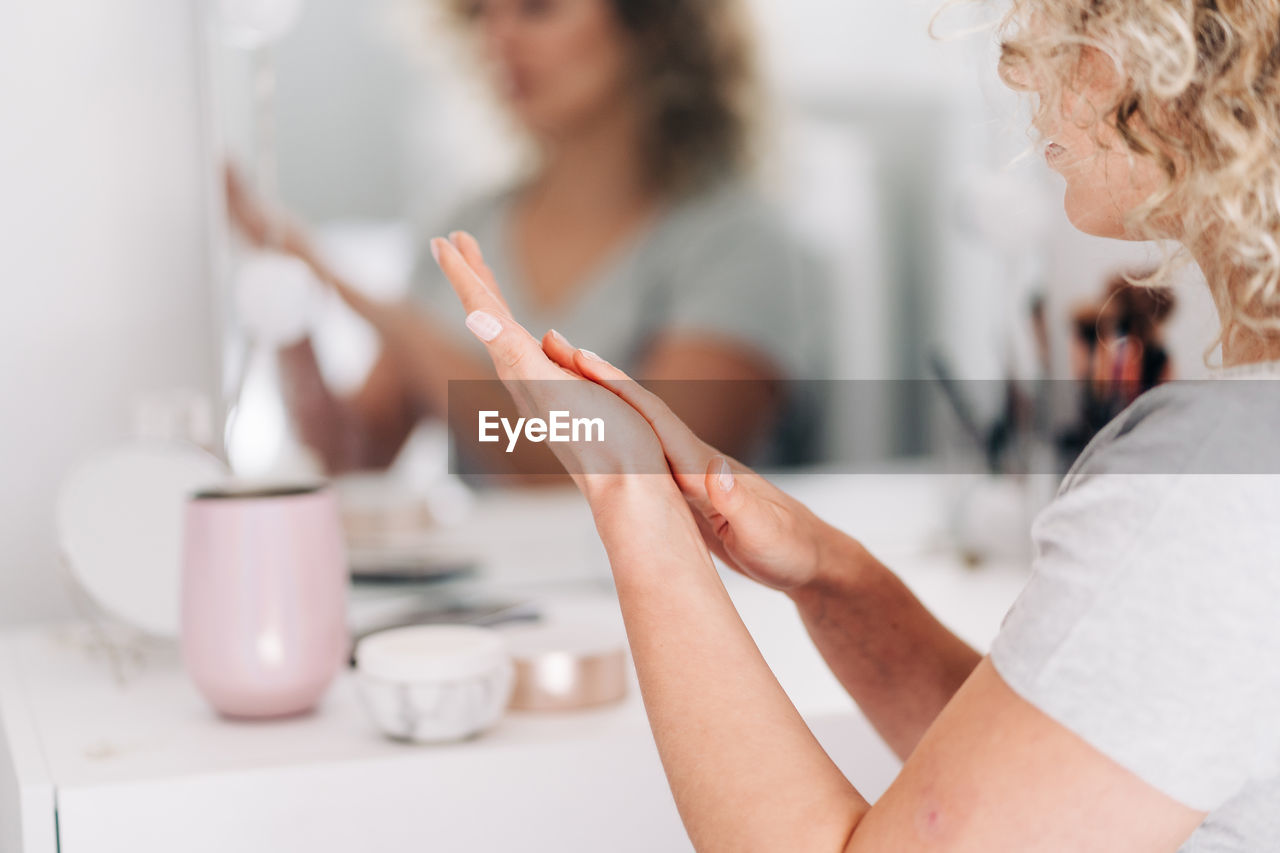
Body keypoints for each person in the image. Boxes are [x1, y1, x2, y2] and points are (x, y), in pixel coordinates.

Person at [425, 0, 1280, 847]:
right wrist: (834, 575)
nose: (1021, 61)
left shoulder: (1205, 480)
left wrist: (627, 492)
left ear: (1195, 54)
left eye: (1067, 21)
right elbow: (1052, 770)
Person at [226, 0, 823, 480]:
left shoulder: (739, 242)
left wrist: (341, 280)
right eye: (483, 11)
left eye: (537, 8)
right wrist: (287, 295)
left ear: (653, 24)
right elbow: (356, 455)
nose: (497, 36)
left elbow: (637, 469)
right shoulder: (468, 222)